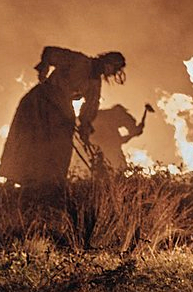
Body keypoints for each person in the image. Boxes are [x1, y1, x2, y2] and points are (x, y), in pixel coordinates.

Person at [2, 48, 126, 189]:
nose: (112, 74)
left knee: (60, 146)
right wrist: (43, 68)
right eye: (114, 69)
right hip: (38, 102)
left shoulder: (95, 83)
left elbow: (91, 106)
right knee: (28, 140)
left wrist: (85, 126)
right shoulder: (79, 60)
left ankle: (48, 183)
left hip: (60, 109)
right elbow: (50, 52)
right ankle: (14, 180)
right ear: (108, 63)